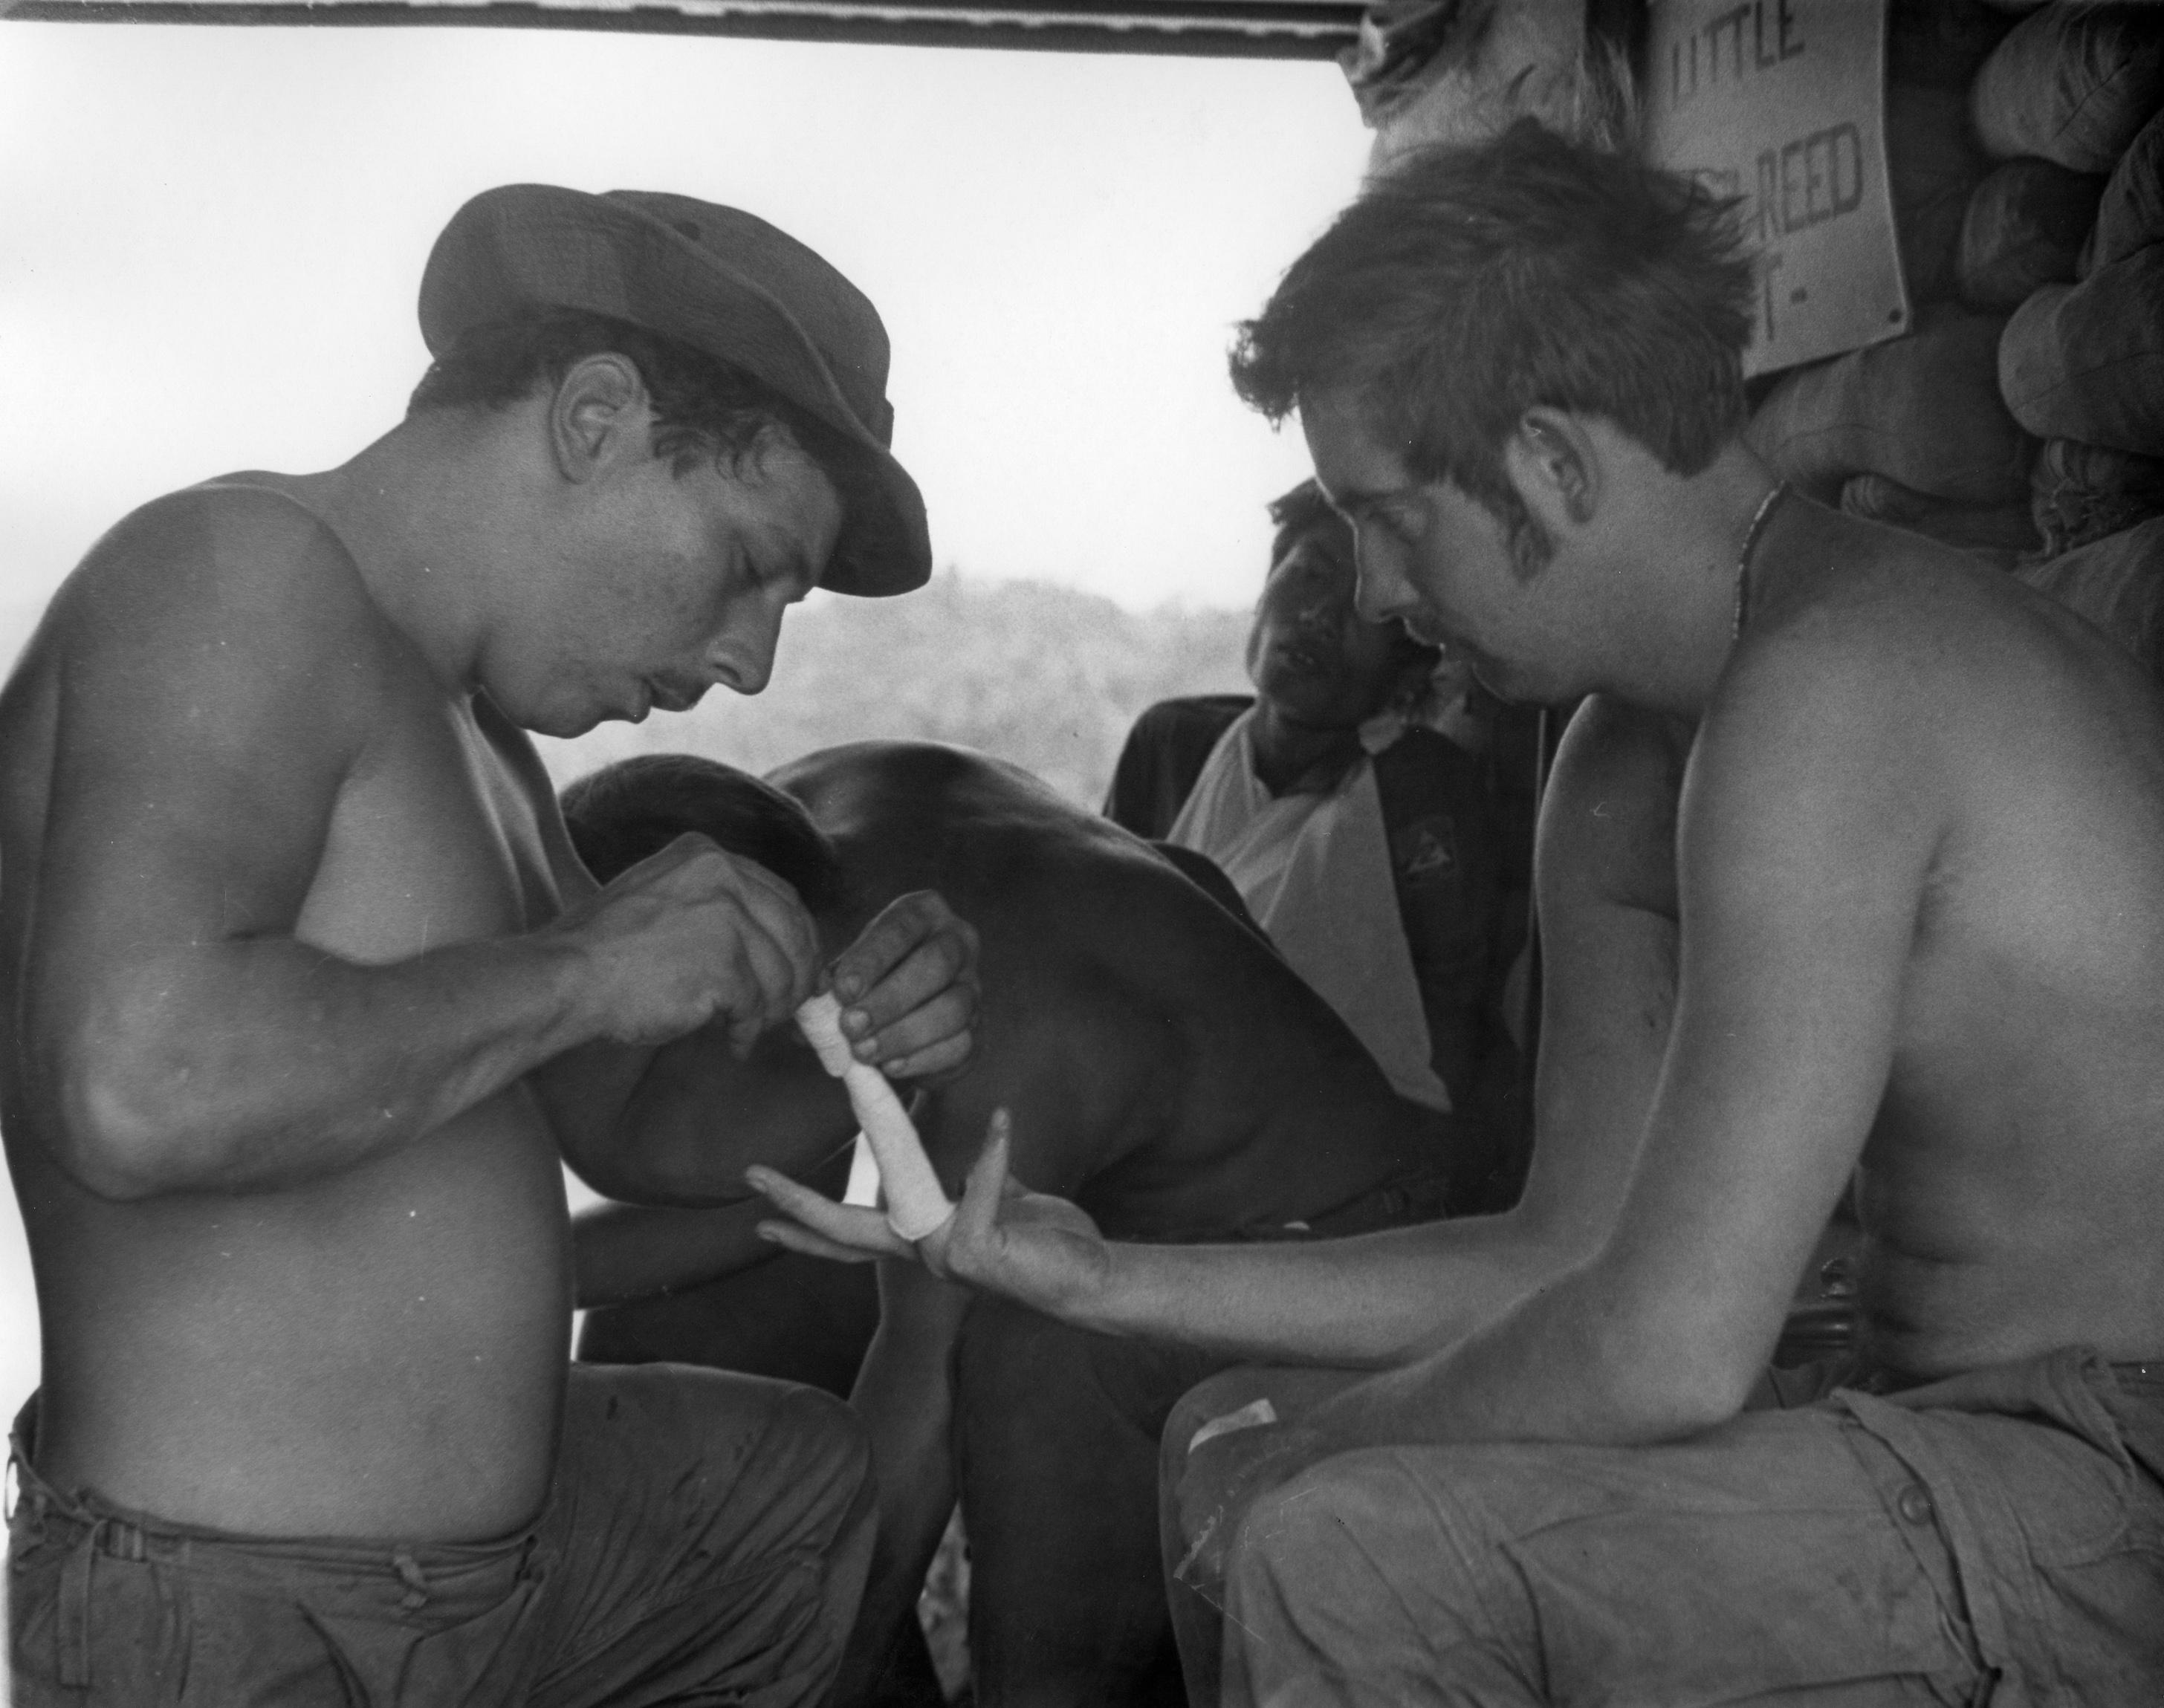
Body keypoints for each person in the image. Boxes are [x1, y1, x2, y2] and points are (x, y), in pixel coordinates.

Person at [757, 122, 2164, 1704]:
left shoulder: (1834, 685)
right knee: (1223, 1424)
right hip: (1936, 1432)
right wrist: (1100, 1278)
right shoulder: (1623, 755)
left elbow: (1668, 1345)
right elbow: (1569, 1253)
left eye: (1388, 516)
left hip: (2106, 1473)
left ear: (1552, 463)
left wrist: (1302, 1463)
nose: (1369, 589)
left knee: (1338, 1541)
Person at [0, 184, 984, 1707]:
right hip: (245, 1601)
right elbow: (136, 1085)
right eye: (748, 565)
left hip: (510, 1568)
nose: (749, 659)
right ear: (595, 420)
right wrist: (587, 967)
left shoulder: (484, 746)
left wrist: (863, 1040)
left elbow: (633, 1122)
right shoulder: (236, 572)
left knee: (798, 1493)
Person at [556, 742, 1482, 1707]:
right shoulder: (812, 828)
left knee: (1022, 1364)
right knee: (666, 1319)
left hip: (1325, 1265)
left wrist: (798, 1682)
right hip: (1098, 1210)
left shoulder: (1003, 1029)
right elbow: (777, 1184)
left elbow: (918, 1392)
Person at [1105, 478, 1518, 1125]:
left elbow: (1445, 1045)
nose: (1320, 615)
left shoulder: (1418, 793)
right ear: (1268, 578)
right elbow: (1102, 958)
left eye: (1364, 608)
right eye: (1310, 574)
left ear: (1411, 665)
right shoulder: (1172, 745)